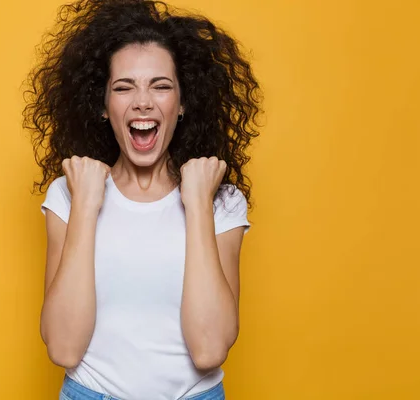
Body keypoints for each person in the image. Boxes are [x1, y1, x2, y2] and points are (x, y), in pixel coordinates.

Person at [22, 0, 262, 398]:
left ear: (183, 103)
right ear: (102, 105)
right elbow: (64, 348)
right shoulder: (68, 193)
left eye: (161, 86)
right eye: (123, 87)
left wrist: (199, 204)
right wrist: (85, 206)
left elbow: (209, 349)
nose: (143, 102)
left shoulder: (221, 200)